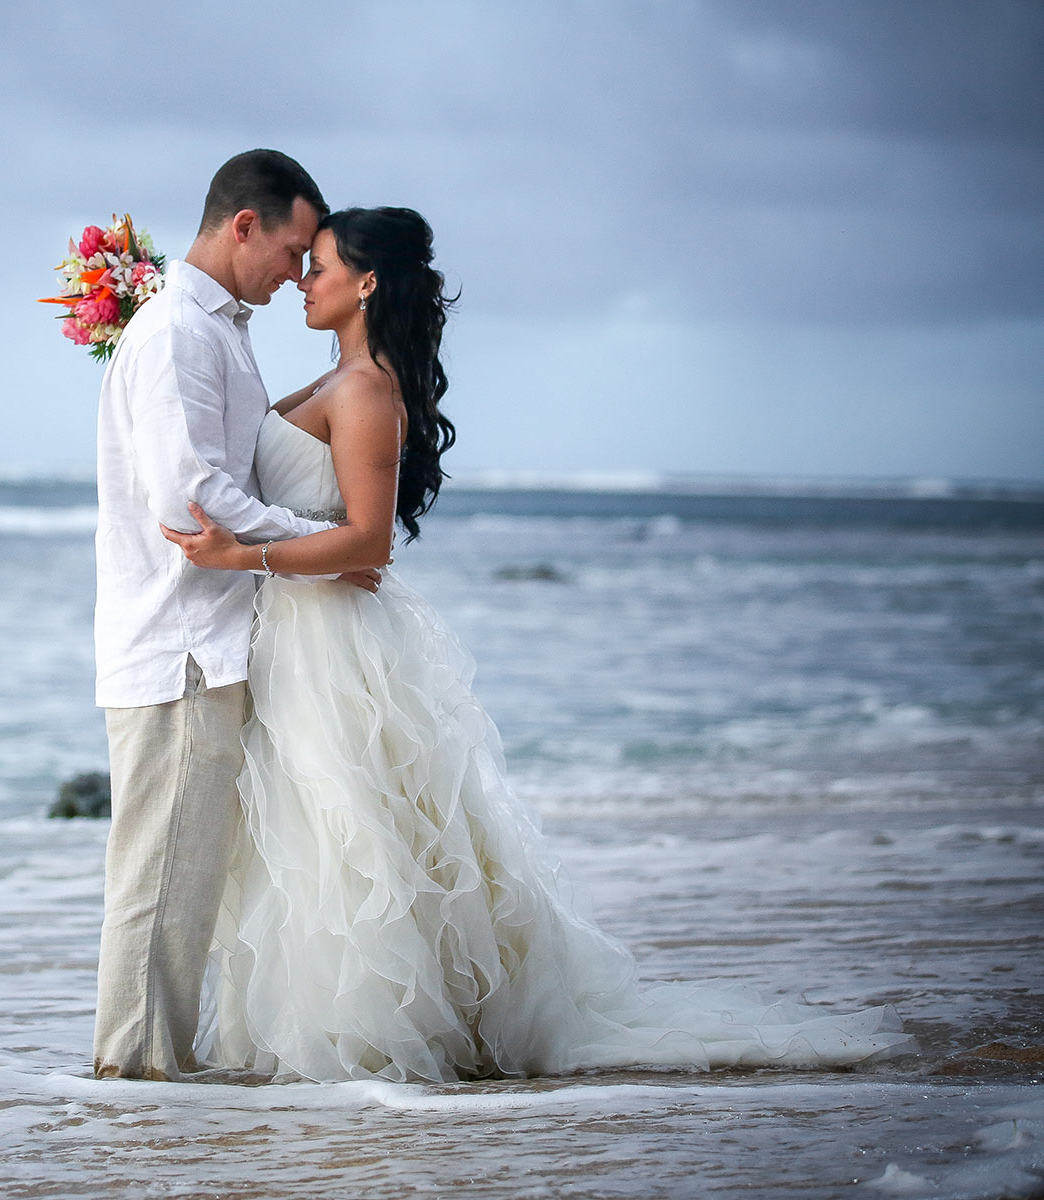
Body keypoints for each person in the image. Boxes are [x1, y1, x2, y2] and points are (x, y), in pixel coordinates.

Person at [161, 205, 914, 1082]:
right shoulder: (337, 378)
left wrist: (239, 552)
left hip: (331, 642)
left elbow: (369, 543)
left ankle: (374, 1039)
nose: (303, 279)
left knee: (347, 839)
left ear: (366, 283)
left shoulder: (366, 391)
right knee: (315, 843)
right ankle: (330, 1036)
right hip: (294, 630)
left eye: (319, 265)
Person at [91, 150, 388, 1081]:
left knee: (188, 888)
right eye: (295, 251)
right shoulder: (180, 331)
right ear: (244, 226)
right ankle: (133, 1089)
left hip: (213, 642)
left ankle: (151, 1091)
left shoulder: (220, 329)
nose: (299, 274)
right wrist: (316, 541)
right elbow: (193, 498)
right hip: (182, 645)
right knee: (161, 881)